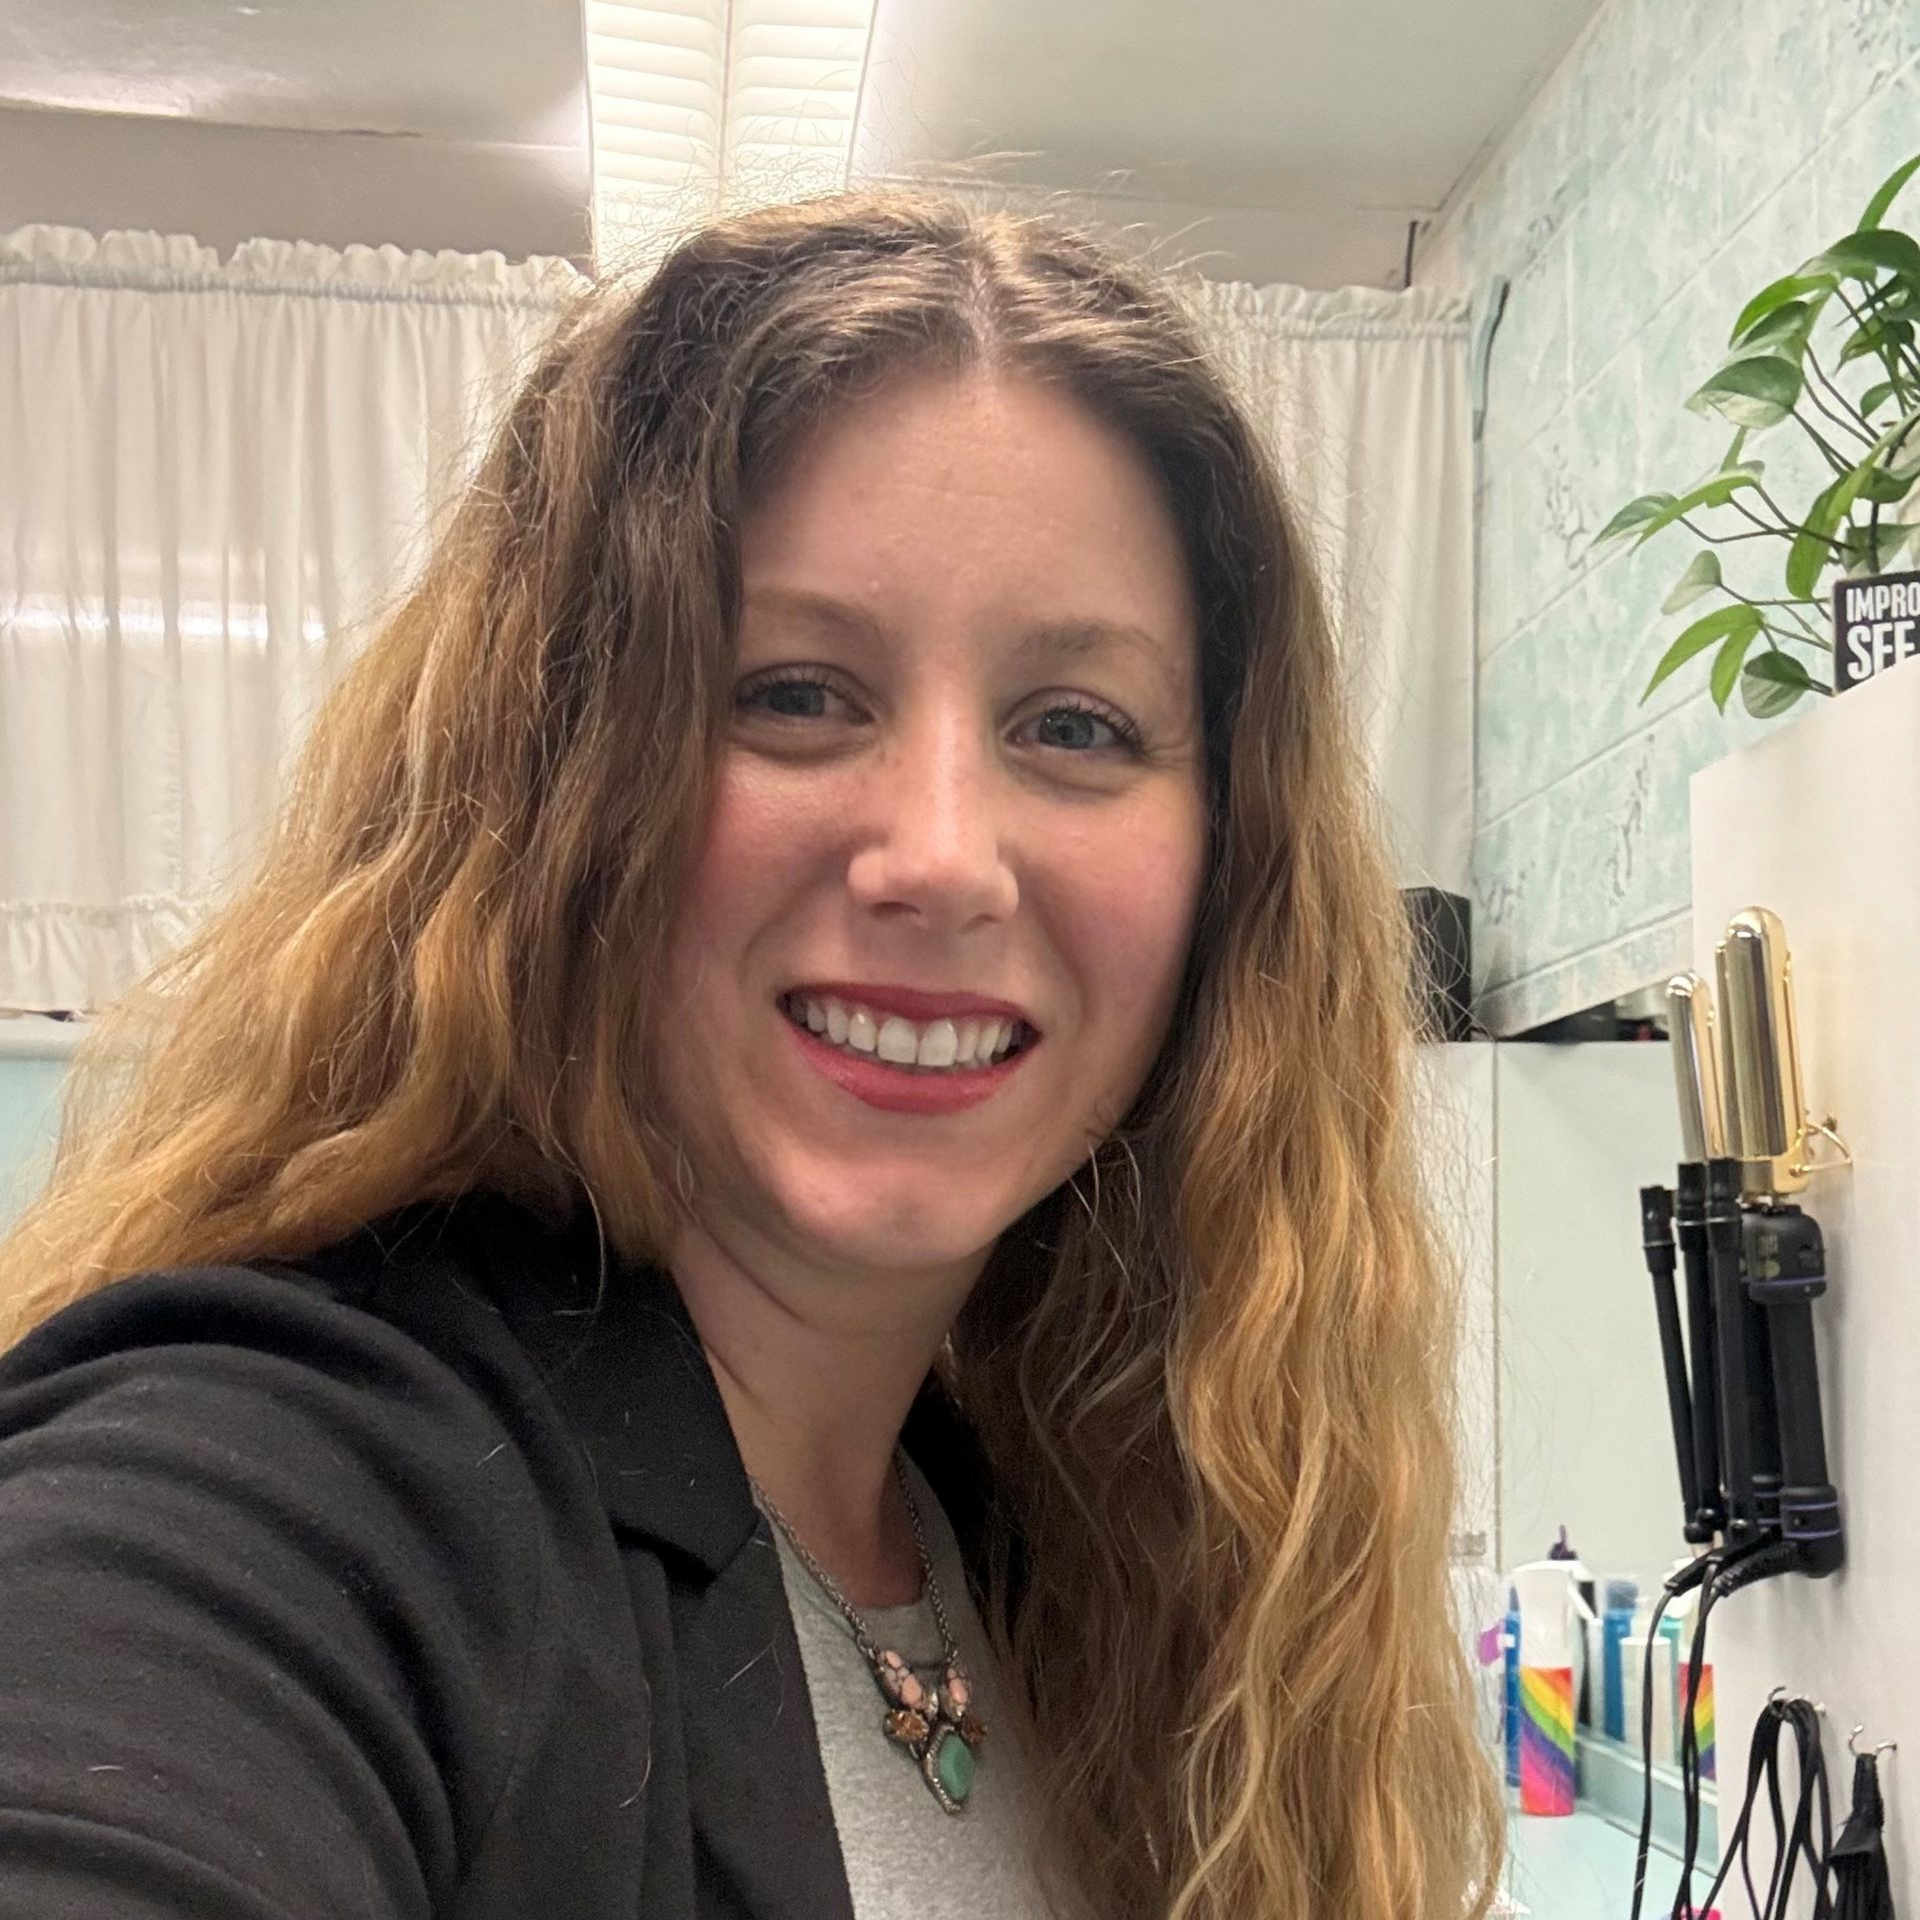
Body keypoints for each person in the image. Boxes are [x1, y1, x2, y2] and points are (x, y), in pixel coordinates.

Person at [0, 189, 1503, 1920]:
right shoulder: (295, 1477)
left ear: (1224, 866)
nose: (942, 855)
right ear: (557, 786)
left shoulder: (1057, 1556)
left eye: (1076, 727)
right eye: (794, 691)